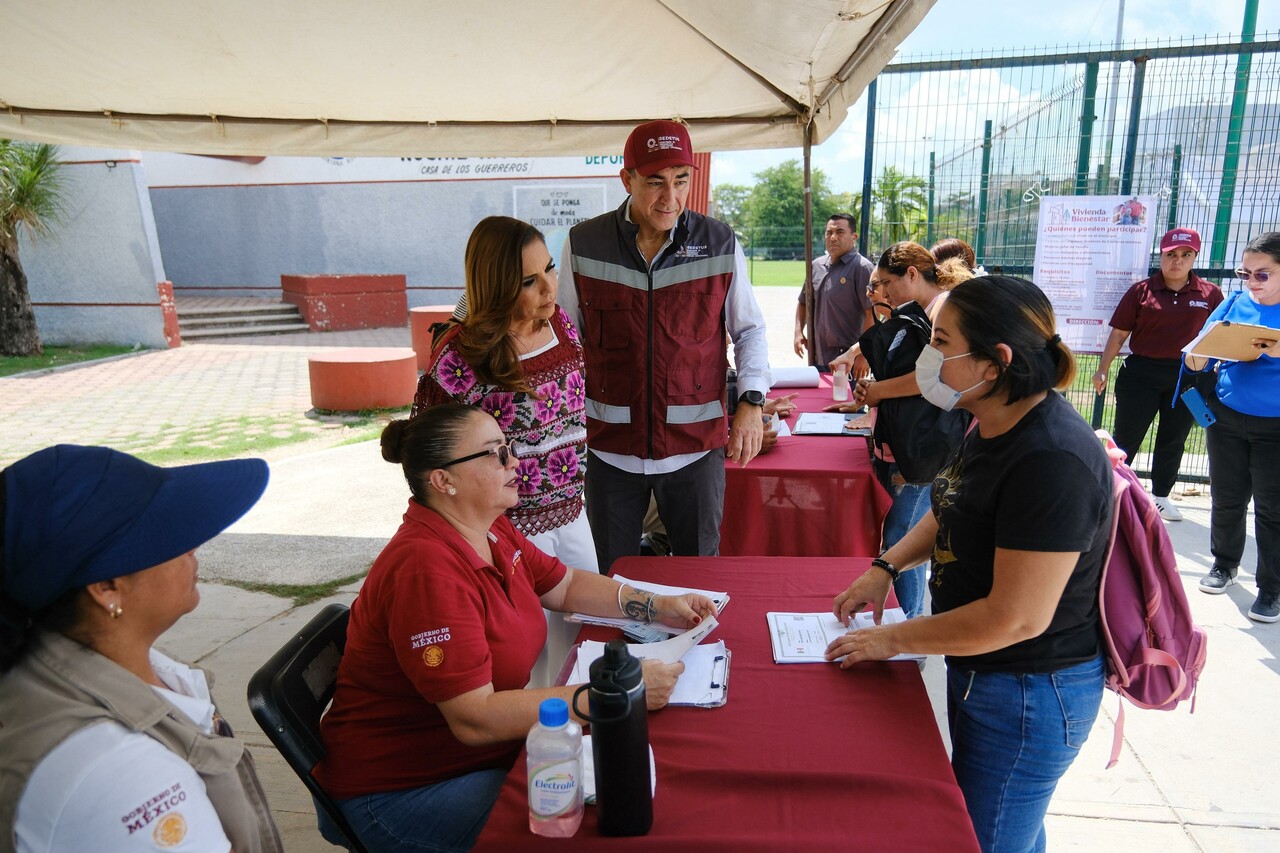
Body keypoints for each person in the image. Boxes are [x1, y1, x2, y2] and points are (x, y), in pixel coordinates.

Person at [313, 404, 715, 852]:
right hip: (402, 791)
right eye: (494, 455)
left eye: (508, 448)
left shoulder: (490, 529)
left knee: (625, 783)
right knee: (588, 823)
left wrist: (657, 606)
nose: (514, 462)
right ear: (443, 481)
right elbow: (474, 718)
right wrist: (614, 698)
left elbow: (564, 586)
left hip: (474, 760)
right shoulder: (426, 571)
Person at [824, 276, 1114, 853]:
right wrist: (885, 566)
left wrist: (891, 640)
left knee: (984, 839)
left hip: (1029, 690)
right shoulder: (996, 420)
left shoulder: (1050, 459)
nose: (928, 355)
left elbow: (1015, 619)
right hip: (988, 672)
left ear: (994, 362)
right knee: (1006, 828)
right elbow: (949, 504)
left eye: (941, 340)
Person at [0, 445, 281, 852]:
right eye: (165, 535)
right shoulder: (122, 775)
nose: (192, 547)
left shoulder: (70, 669)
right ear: (106, 587)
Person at [558, 119, 772, 571]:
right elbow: (566, 341)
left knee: (699, 577)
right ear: (627, 180)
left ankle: (699, 646)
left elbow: (749, 330)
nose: (669, 198)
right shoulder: (583, 244)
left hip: (695, 451)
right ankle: (618, 647)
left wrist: (751, 402)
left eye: (681, 181)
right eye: (654, 182)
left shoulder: (719, 242)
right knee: (610, 578)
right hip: (610, 451)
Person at [825, 242, 974, 617]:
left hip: (928, 448)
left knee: (903, 543)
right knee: (903, 540)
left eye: (887, 282)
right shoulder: (925, 310)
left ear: (912, 274)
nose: (883, 292)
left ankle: (906, 628)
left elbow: (931, 377)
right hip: (916, 444)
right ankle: (904, 625)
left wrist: (877, 391)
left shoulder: (944, 309)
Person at [1092, 227, 1222, 522]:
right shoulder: (1142, 291)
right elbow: (1119, 334)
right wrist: (1103, 369)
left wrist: (1214, 368)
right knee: (1126, 436)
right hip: (1141, 373)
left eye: (1185, 255)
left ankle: (1161, 497)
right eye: (1171, 254)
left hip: (1188, 376)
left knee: (1174, 438)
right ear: (1161, 256)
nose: (1177, 261)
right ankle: (1111, 492)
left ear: (1194, 257)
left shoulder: (1210, 294)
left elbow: (1218, 335)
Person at [1187, 232, 1280, 622]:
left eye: (1262, 275)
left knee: (1272, 509)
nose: (1251, 283)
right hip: (1226, 417)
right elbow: (1200, 351)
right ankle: (1224, 564)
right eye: (1246, 273)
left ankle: (1271, 589)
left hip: (1275, 427)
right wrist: (1197, 358)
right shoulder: (1235, 303)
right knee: (1226, 498)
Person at [793, 213, 876, 370]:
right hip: (817, 357)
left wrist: (863, 355)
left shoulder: (862, 268)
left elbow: (872, 314)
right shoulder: (816, 266)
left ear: (854, 236)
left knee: (846, 395)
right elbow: (804, 302)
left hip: (847, 360)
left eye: (839, 232)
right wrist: (798, 332)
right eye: (829, 232)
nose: (833, 237)